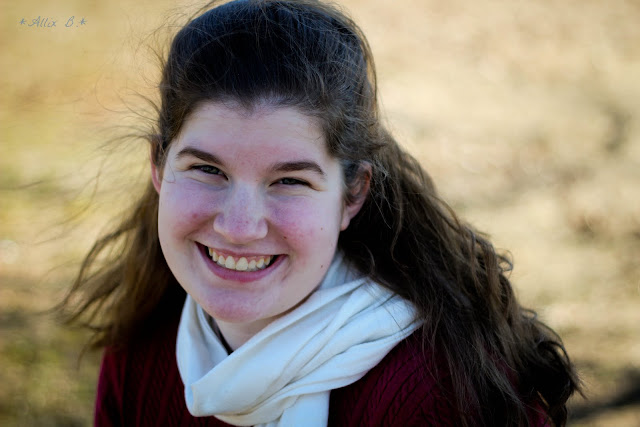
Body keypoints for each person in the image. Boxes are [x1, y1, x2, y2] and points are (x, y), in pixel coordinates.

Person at [61, 0, 581, 425]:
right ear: (158, 165)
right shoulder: (140, 353)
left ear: (352, 195)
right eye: (207, 170)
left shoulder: (434, 392)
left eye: (289, 181)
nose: (239, 227)